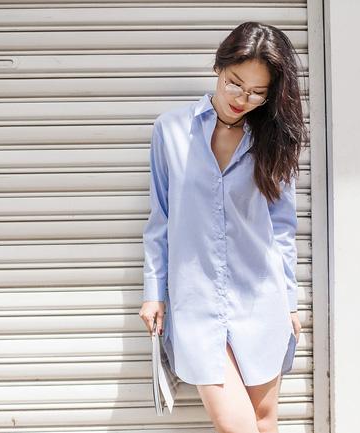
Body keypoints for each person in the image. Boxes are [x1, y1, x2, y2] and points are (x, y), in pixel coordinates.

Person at [139, 21, 307, 433]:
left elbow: (282, 228)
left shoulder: (272, 140)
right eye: (235, 83)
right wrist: (153, 292)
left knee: (264, 422)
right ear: (219, 66)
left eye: (257, 92)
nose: (242, 99)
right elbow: (161, 218)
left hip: (261, 299)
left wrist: (290, 300)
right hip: (196, 302)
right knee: (236, 426)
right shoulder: (170, 130)